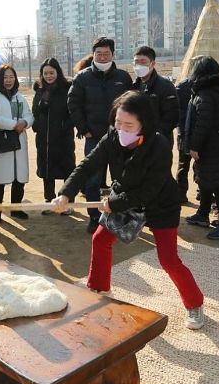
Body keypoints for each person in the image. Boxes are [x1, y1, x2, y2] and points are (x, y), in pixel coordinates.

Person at [52, 91, 206, 330]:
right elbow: (87, 165)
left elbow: (150, 189)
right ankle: (100, 291)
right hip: (124, 197)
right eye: (118, 122)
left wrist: (114, 204)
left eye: (128, 125)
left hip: (160, 204)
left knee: (168, 259)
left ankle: (194, 304)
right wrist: (66, 193)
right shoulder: (112, 138)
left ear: (143, 123)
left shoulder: (159, 145)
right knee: (101, 239)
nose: (121, 129)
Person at [67, 37, 133, 233]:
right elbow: (73, 103)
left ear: (113, 54)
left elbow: (132, 104)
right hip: (93, 136)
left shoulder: (123, 77)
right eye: (99, 53)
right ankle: (95, 217)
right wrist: (83, 128)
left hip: (121, 137)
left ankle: (119, 216)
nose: (102, 57)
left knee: (121, 178)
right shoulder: (83, 77)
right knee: (92, 179)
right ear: (93, 54)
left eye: (106, 53)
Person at [181, 57, 219, 240]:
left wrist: (194, 146)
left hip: (211, 148)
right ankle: (202, 214)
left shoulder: (205, 94)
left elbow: (202, 125)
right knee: (205, 182)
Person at [0, 64, 34, 223]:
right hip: (2, 141)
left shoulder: (20, 97)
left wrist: (25, 122)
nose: (8, 80)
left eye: (11, 77)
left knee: (19, 177)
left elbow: (30, 116)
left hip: (19, 139)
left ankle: (16, 209)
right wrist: (13, 125)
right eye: (5, 77)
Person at [32, 58, 75, 211]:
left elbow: (73, 111)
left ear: (58, 72)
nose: (49, 76)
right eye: (45, 73)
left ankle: (68, 202)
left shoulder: (68, 88)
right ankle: (48, 200)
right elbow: (35, 113)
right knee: (46, 169)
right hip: (44, 137)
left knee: (67, 169)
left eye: (51, 72)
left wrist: (66, 125)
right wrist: (37, 126)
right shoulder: (39, 89)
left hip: (63, 137)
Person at [131, 45, 179, 148]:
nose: (139, 65)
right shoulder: (133, 86)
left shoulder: (165, 86)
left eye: (143, 62)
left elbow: (172, 116)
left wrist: (155, 136)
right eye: (136, 62)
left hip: (160, 142)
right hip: (137, 140)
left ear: (153, 64)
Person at [175, 60, 199, 203]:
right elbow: (177, 112)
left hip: (189, 131)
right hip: (186, 131)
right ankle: (181, 192)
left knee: (186, 165)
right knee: (185, 164)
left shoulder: (183, 86)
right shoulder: (182, 87)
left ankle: (186, 192)